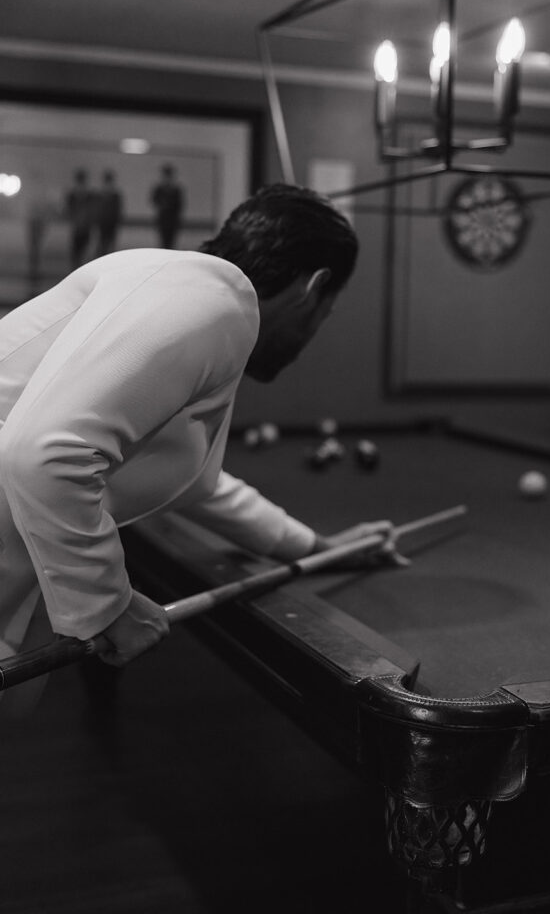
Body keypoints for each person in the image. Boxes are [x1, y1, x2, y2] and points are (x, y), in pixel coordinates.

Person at [0, 183, 398, 715]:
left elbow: (201, 482)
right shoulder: (212, 297)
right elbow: (42, 451)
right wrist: (108, 605)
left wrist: (314, 548)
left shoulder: (200, 301)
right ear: (314, 286)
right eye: (326, 313)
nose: (313, 333)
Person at [64, 168, 95, 269]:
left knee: (78, 254)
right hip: (81, 227)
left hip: (81, 227)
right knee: (79, 254)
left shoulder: (77, 195)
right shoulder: (83, 195)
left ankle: (77, 270)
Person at [150, 163, 184, 249]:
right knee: (163, 242)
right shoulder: (159, 188)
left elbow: (180, 205)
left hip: (173, 219)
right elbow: (154, 201)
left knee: (171, 242)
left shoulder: (176, 189)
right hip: (163, 219)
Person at [94, 170, 123, 257]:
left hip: (111, 223)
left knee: (109, 244)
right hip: (104, 223)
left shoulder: (114, 195)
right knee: (103, 244)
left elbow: (117, 211)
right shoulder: (102, 195)